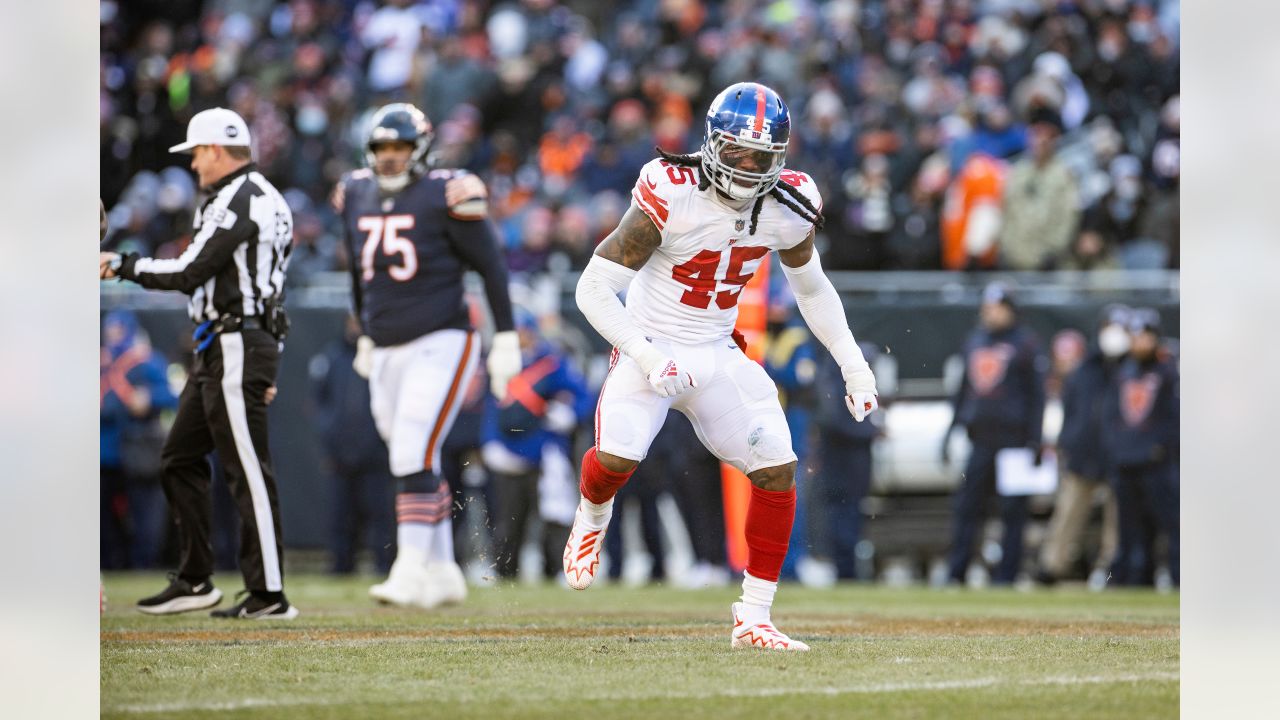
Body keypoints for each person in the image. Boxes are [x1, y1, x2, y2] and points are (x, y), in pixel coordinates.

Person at [565, 82, 879, 651]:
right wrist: (646, 355)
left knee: (777, 466)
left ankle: (754, 617)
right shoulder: (671, 189)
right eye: (736, 150)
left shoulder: (790, 204)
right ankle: (592, 512)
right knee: (617, 457)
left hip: (715, 347)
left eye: (761, 156)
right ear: (712, 144)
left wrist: (854, 366)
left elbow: (812, 290)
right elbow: (592, 289)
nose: (747, 164)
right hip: (651, 340)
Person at [100, 107, 298, 619]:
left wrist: (124, 264)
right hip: (225, 345)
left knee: (246, 470)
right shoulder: (252, 197)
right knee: (179, 457)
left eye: (194, 154)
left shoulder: (241, 199)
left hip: (237, 344)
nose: (191, 165)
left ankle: (268, 594)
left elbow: (192, 271)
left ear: (213, 149)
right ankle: (194, 578)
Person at [332, 102, 521, 609]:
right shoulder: (354, 192)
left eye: (399, 147)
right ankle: (442, 570)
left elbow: (492, 267)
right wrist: (367, 333)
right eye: (381, 148)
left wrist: (504, 337)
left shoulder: (447, 192)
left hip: (442, 338)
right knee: (412, 453)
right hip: (388, 345)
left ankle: (408, 567)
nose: (390, 157)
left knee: (412, 447)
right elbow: (358, 274)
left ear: (420, 149)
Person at [942, 283, 1046, 586]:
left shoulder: (1026, 344)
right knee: (967, 507)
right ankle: (956, 572)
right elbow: (962, 390)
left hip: (1014, 441)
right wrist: (951, 431)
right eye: (987, 308)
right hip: (980, 438)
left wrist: (1036, 438)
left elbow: (1036, 396)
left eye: (997, 308)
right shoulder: (974, 341)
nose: (991, 314)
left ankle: (1007, 575)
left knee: (1013, 512)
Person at [481, 309, 592, 581]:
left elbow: (584, 397)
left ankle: (556, 570)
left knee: (554, 514)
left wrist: (569, 415)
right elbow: (490, 408)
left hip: (545, 451)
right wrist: (490, 442)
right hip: (508, 453)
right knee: (508, 519)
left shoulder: (552, 363)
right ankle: (504, 572)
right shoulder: (498, 363)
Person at [1035, 305, 1130, 587]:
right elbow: (1071, 410)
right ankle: (1052, 565)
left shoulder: (1132, 370)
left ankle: (1111, 568)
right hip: (1085, 452)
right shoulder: (1085, 369)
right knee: (1069, 512)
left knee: (1118, 519)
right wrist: (1068, 443)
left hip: (1119, 454)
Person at [307, 315, 395, 575]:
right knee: (340, 515)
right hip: (340, 453)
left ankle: (384, 566)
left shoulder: (382, 358)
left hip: (375, 452)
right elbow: (317, 403)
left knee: (381, 514)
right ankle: (341, 566)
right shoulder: (331, 358)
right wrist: (329, 437)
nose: (355, 327)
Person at [1104, 308, 1179, 587]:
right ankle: (1135, 579)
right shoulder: (1123, 372)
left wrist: (1162, 447)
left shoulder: (1168, 372)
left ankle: (1179, 577)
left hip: (1156, 462)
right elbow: (1111, 416)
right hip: (1126, 461)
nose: (1139, 343)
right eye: (1135, 337)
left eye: (1144, 336)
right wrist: (1114, 449)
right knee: (1131, 529)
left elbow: (1175, 416)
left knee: (1171, 523)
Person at [100, 309, 178, 570]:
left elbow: (171, 397)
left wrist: (148, 399)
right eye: (110, 331)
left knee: (145, 513)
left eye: (118, 331)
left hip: (138, 451)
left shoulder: (146, 361)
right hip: (104, 452)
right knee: (102, 516)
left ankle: (143, 563)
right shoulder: (100, 361)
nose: (113, 337)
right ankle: (111, 563)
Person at [998, 107, 1080, 270]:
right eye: (1036, 135)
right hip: (1015, 256)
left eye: (1046, 137)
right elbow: (1006, 210)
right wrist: (1006, 247)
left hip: (1048, 260)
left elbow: (1068, 216)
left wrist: (1053, 251)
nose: (1039, 142)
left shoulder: (1063, 175)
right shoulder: (1018, 172)